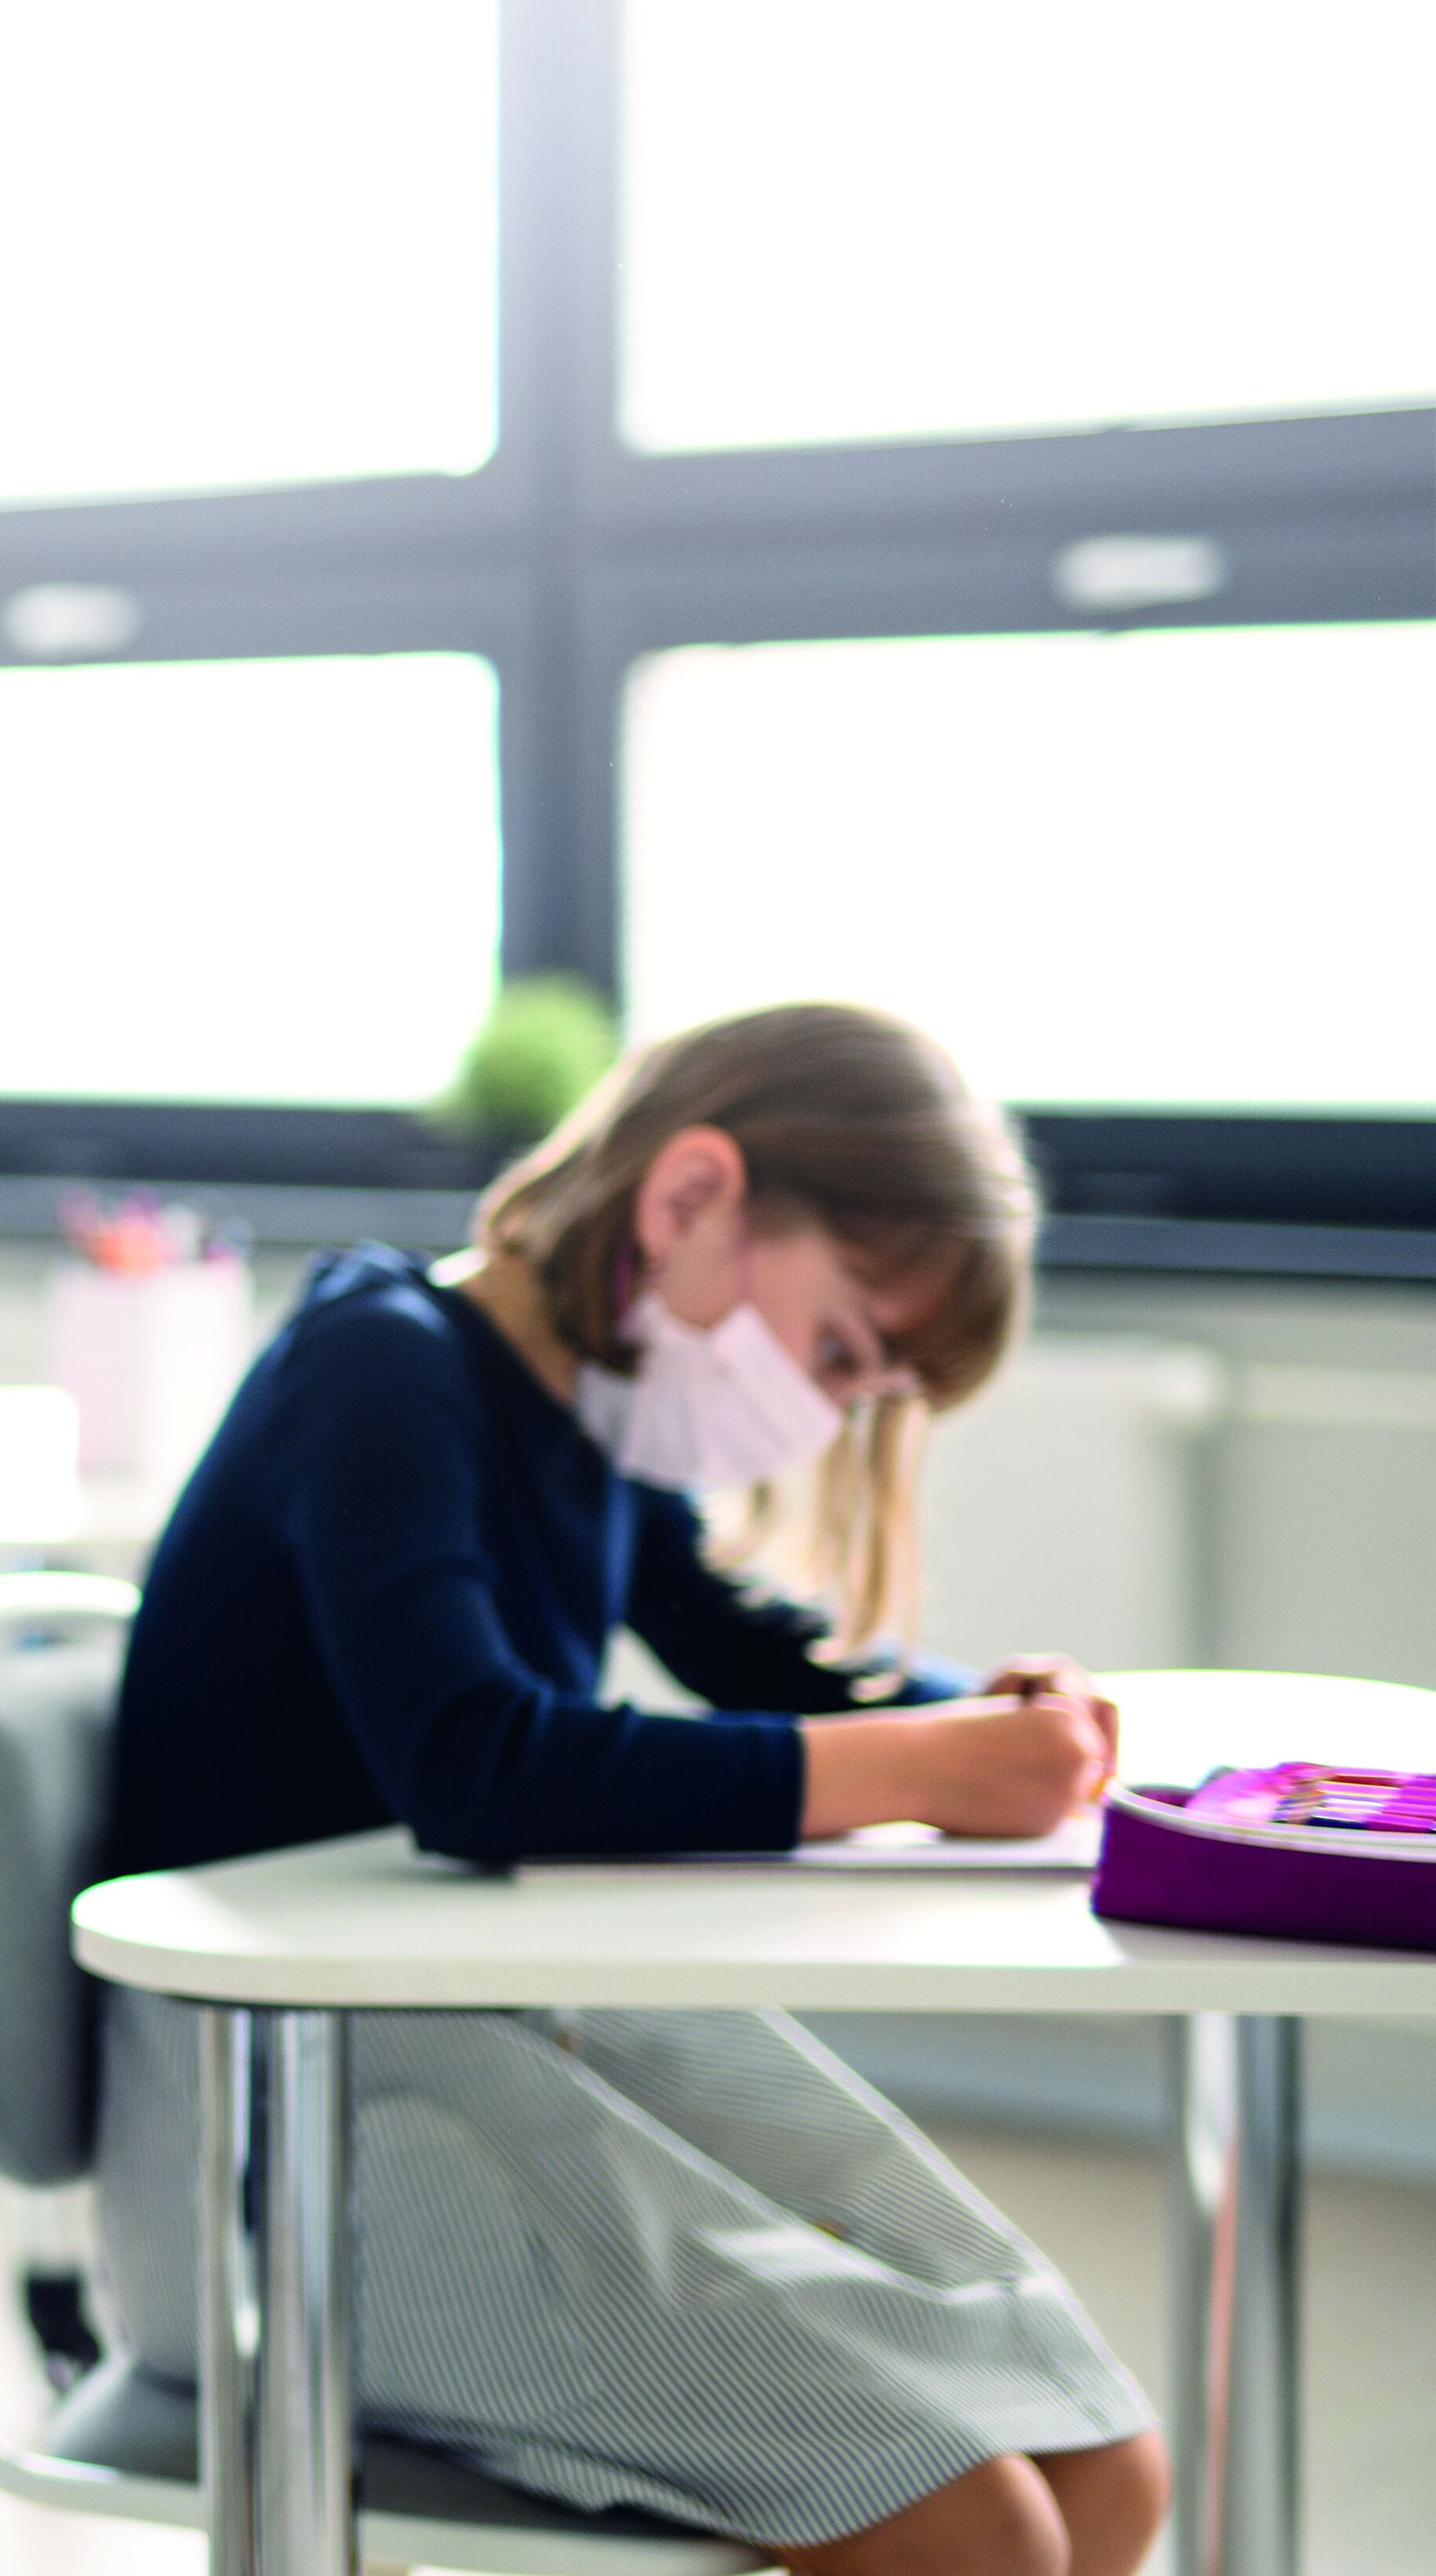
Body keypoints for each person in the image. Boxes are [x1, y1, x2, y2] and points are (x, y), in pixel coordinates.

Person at [94, 1002, 1165, 2576]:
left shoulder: (584, 1417)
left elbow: (764, 1652)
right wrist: (919, 1769)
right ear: (684, 1200)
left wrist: (978, 1720)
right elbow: (471, 1757)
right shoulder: (375, 1366)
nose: (819, 1414)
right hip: (285, 2107)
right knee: (977, 2528)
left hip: (487, 2025)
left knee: (1102, 2468)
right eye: (836, 1351)